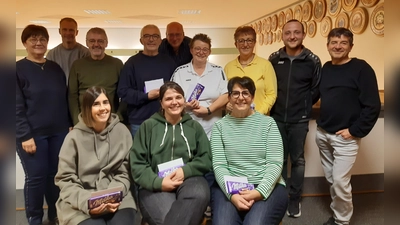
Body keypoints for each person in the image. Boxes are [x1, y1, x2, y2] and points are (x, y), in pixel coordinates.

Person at [316, 28, 381, 225]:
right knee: (331, 179)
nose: (338, 46)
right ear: (327, 45)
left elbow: (373, 105)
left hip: (345, 138)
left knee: (340, 182)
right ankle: (338, 212)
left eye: (343, 43)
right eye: (334, 42)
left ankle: (341, 221)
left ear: (351, 46)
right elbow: (318, 95)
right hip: (323, 134)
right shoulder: (326, 68)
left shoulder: (361, 68)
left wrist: (354, 131)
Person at [130, 81, 211, 225]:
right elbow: (137, 164)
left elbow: (206, 158)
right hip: (154, 183)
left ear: (184, 100)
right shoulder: (148, 126)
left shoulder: (194, 127)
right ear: (161, 103)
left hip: (189, 180)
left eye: (178, 97)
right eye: (168, 99)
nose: (174, 102)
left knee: (199, 194)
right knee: (171, 219)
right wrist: (159, 183)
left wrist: (185, 171)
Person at [210, 76, 287, 225]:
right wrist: (232, 195)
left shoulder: (268, 123)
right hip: (231, 186)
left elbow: (275, 164)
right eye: (235, 93)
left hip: (266, 184)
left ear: (252, 97)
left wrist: (258, 192)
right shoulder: (220, 127)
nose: (241, 98)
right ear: (229, 97)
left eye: (245, 93)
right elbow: (219, 166)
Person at [55, 86, 137, 225]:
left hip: (117, 194)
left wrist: (111, 196)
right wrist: (88, 202)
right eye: (96, 104)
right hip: (82, 200)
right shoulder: (73, 137)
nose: (103, 108)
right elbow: (65, 179)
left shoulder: (122, 131)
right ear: (87, 108)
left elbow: (125, 171)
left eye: (105, 102)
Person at [16, 24, 71, 225]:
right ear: (25, 43)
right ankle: (35, 218)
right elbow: (14, 106)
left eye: (42, 39)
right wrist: (24, 135)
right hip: (32, 135)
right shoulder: (16, 69)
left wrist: (69, 125)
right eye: (33, 39)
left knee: (55, 175)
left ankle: (55, 214)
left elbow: (63, 99)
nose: (38, 43)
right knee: (36, 177)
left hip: (58, 132)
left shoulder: (54, 68)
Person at [268, 19, 321, 218]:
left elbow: (316, 89)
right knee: (278, 160)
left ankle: (294, 199)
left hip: (300, 120)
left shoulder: (313, 60)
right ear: (282, 35)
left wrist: (305, 106)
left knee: (297, 160)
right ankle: (279, 197)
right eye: (288, 32)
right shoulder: (273, 59)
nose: (292, 36)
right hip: (277, 118)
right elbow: (270, 87)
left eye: (296, 32)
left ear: (303, 35)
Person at [118, 24, 176, 137]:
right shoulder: (131, 63)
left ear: (160, 40)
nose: (151, 39)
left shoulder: (169, 63)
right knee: (140, 154)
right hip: (139, 123)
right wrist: (147, 96)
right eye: (147, 36)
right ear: (141, 40)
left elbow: (176, 89)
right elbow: (123, 92)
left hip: (166, 120)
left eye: (155, 36)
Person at [171, 33, 228, 138]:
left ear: (209, 52)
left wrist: (208, 110)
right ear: (191, 50)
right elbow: (170, 97)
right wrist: (185, 105)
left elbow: (226, 95)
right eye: (197, 48)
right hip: (185, 128)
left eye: (205, 49)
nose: (201, 52)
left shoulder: (218, 70)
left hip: (213, 130)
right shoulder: (179, 72)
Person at [68, 27, 124, 125]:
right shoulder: (77, 65)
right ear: (87, 43)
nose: (96, 44)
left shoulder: (117, 64)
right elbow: (72, 96)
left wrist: (118, 116)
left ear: (106, 43)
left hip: (110, 121)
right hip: (84, 121)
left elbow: (124, 94)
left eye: (100, 41)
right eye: (92, 41)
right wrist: (77, 121)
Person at [224, 26, 277, 115]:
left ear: (254, 43)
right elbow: (225, 94)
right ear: (236, 44)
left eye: (249, 40)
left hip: (259, 119)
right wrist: (226, 104)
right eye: (241, 41)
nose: (245, 44)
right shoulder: (228, 67)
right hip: (235, 120)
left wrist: (258, 114)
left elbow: (271, 94)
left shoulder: (265, 65)